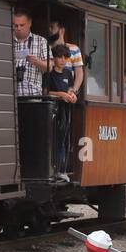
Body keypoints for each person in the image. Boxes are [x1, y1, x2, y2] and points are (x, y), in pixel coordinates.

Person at [46, 44, 77, 181]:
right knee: (56, 139)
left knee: (65, 139)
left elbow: (70, 89)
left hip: (66, 109)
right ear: (54, 58)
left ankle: (63, 169)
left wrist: (72, 95)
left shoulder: (68, 73)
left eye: (65, 57)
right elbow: (45, 92)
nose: (63, 60)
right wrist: (60, 94)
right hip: (54, 110)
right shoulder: (49, 74)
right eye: (60, 57)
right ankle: (55, 169)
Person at [12, 8, 50, 98]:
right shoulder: (7, 41)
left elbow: (50, 67)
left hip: (33, 96)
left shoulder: (41, 41)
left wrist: (36, 61)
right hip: (11, 97)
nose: (19, 28)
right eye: (15, 25)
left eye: (22, 25)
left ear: (30, 23)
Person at [47, 21, 84, 95]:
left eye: (52, 27)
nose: (49, 30)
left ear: (62, 30)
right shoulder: (46, 48)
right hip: (51, 93)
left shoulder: (74, 49)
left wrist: (73, 91)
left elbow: (79, 73)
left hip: (68, 92)